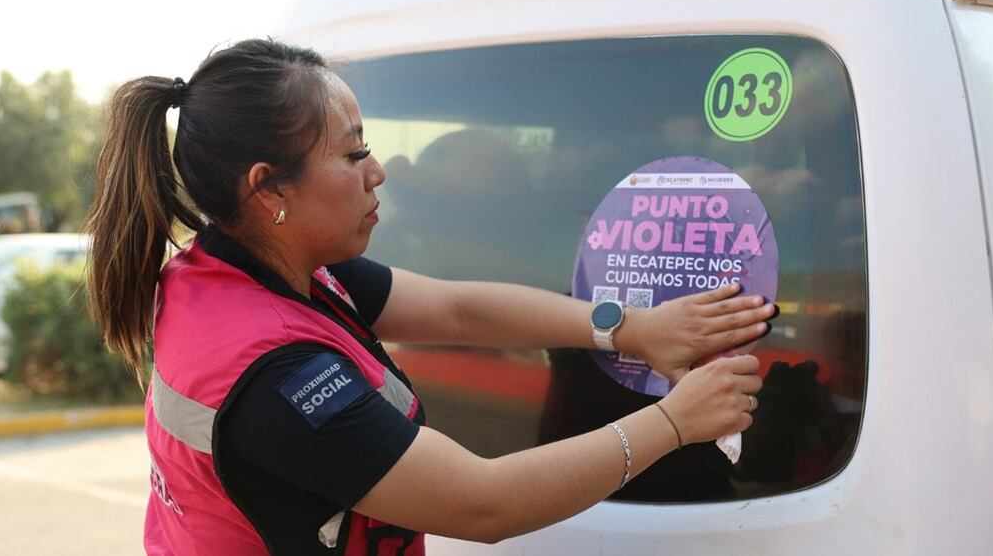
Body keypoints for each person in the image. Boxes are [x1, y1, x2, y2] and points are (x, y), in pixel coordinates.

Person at [85, 38, 774, 555]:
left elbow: (456, 309)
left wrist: (629, 329)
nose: (379, 171)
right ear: (270, 190)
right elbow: (483, 506)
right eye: (353, 154)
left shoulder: (254, 269)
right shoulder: (278, 380)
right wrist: (675, 424)